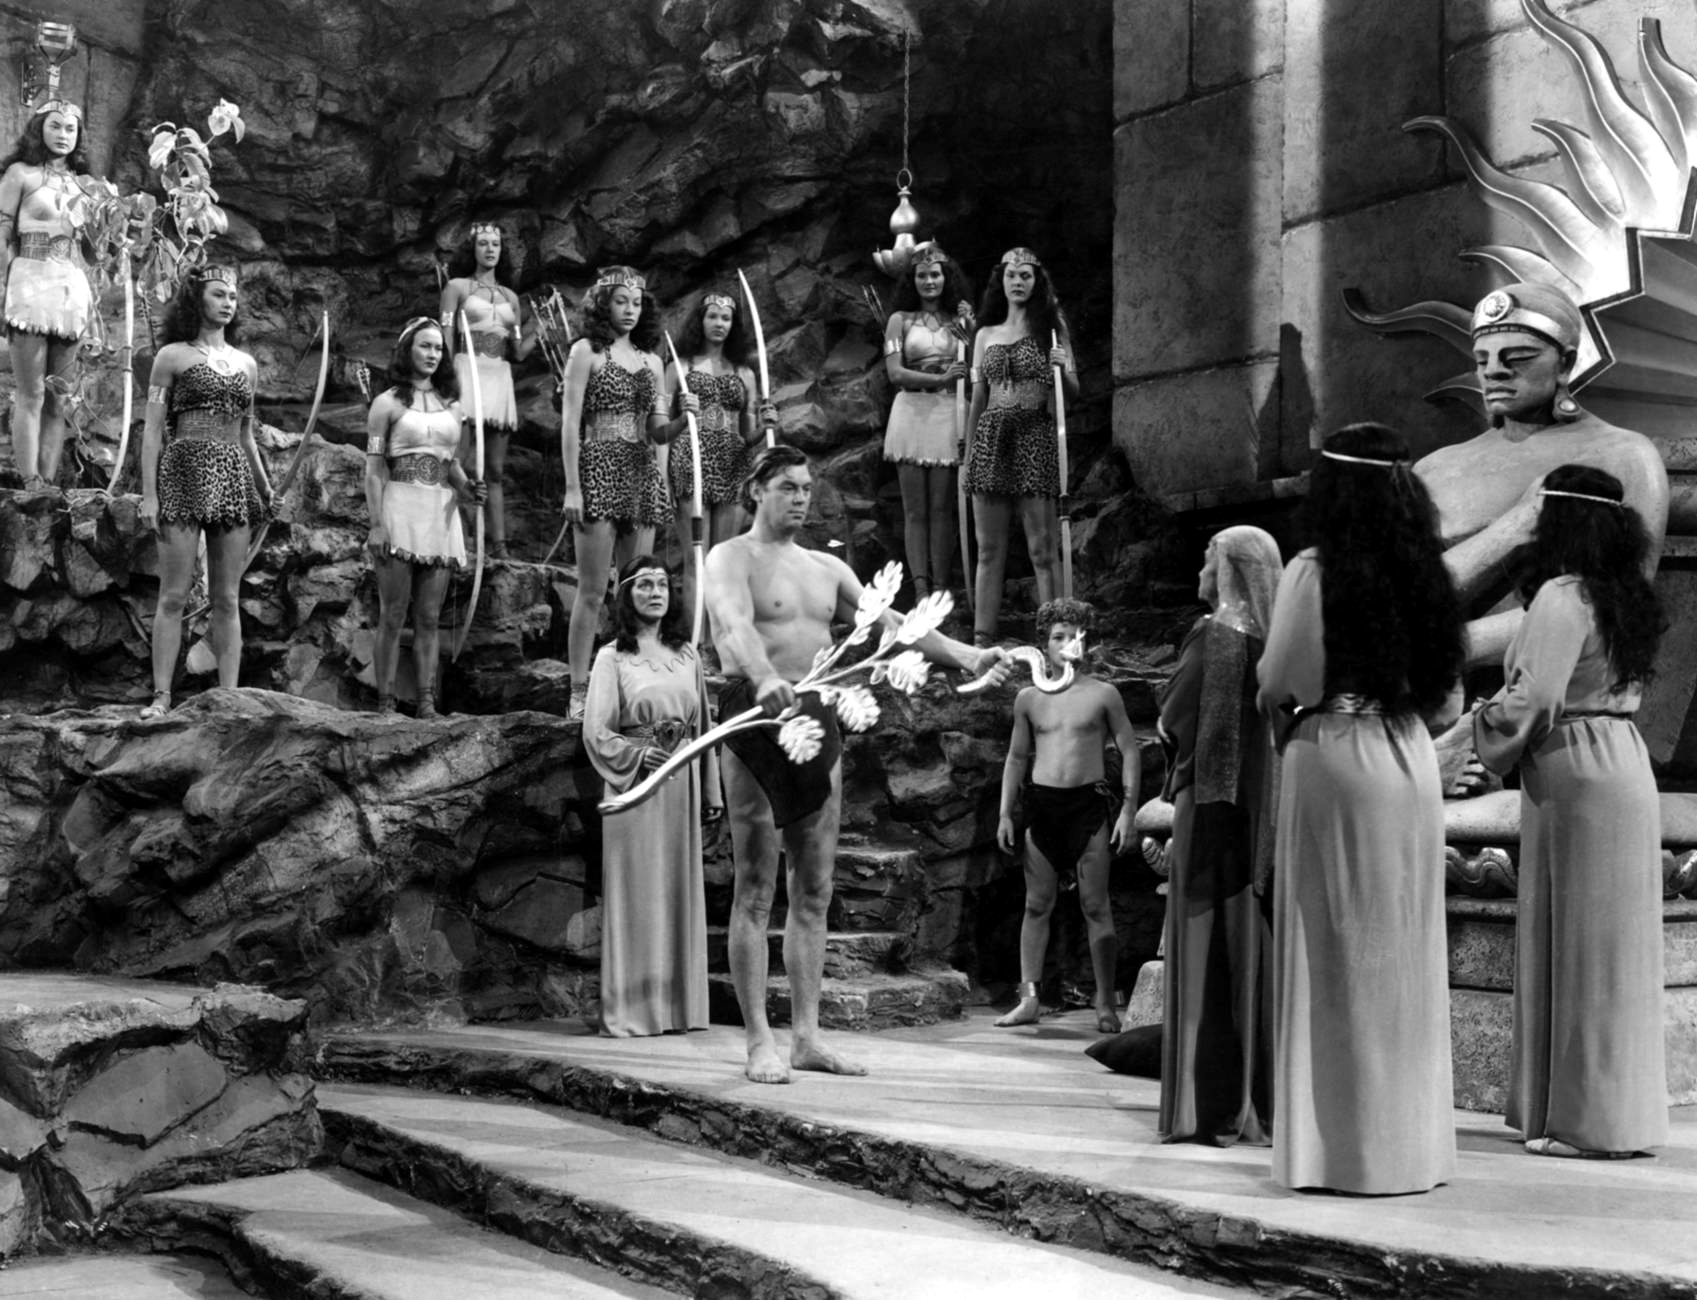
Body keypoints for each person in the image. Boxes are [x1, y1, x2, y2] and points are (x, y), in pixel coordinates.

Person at [704, 443, 1009, 1083]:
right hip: (754, 713)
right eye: (787, 487)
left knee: (814, 886)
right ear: (756, 490)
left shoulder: (825, 568)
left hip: (816, 712)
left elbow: (895, 625)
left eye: (806, 488)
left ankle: (807, 1037)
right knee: (756, 888)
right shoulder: (729, 557)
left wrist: (968, 656)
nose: (800, 498)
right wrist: (762, 676)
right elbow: (732, 626)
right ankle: (759, 1041)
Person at [1257, 421, 1464, 1195]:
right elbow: (1446, 697)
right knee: (1402, 949)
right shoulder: (1426, 572)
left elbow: (1283, 677)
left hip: (1336, 752)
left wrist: (1277, 711)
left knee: (1335, 948)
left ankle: (1342, 1155)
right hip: (1408, 755)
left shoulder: (1314, 568)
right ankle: (1407, 1150)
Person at [1473, 464, 1669, 1159]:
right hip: (1623, 760)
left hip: (1575, 768)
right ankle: (1609, 1115)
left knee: (1581, 945)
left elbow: (1535, 697)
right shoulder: (1623, 596)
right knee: (1614, 949)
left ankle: (1583, 1123)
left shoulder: (1562, 595)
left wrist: (1481, 727)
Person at [1417, 283, 1667, 670]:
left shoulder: (1624, 456)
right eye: (1482, 360)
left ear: (1565, 364)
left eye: (1518, 357)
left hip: (1556, 694)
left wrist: (1452, 648)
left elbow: (1617, 607)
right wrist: (1514, 528)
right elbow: (1392, 600)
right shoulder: (1435, 467)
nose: (1494, 370)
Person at [1157, 525, 1282, 1146]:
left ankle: (1207, 1105)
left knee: (1205, 942)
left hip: (1206, 809)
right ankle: (1255, 1094)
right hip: (1257, 810)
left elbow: (1175, 716)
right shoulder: (1272, 643)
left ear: (1228, 568)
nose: (1200, 569)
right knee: (1249, 943)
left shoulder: (1213, 635)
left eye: (1208, 557)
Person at [583, 554, 721, 1036]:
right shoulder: (611, 657)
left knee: (677, 892)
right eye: (644, 585)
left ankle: (679, 1009)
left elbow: (704, 727)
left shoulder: (688, 655)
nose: (655, 592)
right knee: (637, 894)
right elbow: (596, 730)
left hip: (682, 781)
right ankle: (633, 1011)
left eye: (662, 584)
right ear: (626, 595)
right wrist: (637, 755)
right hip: (635, 785)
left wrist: (711, 790)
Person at [993, 598, 1140, 1034]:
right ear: (1045, 645)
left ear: (1086, 643)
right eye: (1059, 637)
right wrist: (1005, 813)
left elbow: (1129, 749)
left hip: (1087, 807)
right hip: (1042, 807)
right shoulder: (1029, 698)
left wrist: (1128, 809)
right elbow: (1016, 757)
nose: (1067, 644)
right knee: (1036, 904)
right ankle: (1029, 999)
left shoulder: (1103, 694)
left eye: (1075, 636)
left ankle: (1105, 1002)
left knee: (1095, 905)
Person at [137, 266, 271, 718]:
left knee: (227, 598)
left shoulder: (246, 364)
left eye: (232, 296)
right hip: (182, 472)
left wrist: (265, 488)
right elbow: (153, 431)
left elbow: (247, 435)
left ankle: (230, 698)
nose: (228, 303)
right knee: (173, 595)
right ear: (198, 300)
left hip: (231, 476)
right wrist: (150, 495)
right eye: (219, 294)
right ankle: (161, 696)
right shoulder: (172, 356)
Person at [561, 266, 675, 717]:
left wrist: (682, 420)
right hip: (598, 466)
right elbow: (570, 422)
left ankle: (630, 684)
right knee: (592, 590)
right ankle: (578, 689)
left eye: (637, 302)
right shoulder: (586, 351)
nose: (630, 310)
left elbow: (658, 432)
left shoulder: (652, 362)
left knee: (636, 589)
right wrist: (572, 487)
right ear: (604, 304)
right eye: (621, 301)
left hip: (641, 473)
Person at [364, 316, 485, 718]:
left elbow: (451, 462)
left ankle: (426, 702)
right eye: (424, 346)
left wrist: (468, 488)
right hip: (399, 508)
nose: (432, 354)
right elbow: (374, 468)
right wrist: (377, 524)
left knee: (430, 616)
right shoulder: (387, 403)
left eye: (438, 348)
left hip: (439, 512)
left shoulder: (453, 405)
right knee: (393, 613)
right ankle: (385, 703)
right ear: (407, 350)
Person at [963, 246, 1076, 644]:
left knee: (1042, 548)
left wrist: (1062, 368)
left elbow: (1072, 390)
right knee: (988, 549)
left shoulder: (1051, 329)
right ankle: (982, 638)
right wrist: (968, 455)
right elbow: (978, 399)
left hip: (1035, 434)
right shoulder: (984, 335)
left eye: (1025, 275)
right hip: (991, 438)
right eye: (1011, 275)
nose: (1018, 282)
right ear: (1002, 280)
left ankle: (1055, 636)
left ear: (1036, 281)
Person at [663, 291, 776, 633]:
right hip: (690, 459)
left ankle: (720, 641)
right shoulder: (679, 367)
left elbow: (748, 435)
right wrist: (663, 477)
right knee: (696, 558)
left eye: (726, 318)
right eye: (712, 316)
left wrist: (767, 426)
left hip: (733, 463)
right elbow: (661, 427)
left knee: (723, 559)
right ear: (700, 320)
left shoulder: (745, 373)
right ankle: (695, 643)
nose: (719, 323)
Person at [0, 96, 96, 489]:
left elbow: (94, 249)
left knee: (60, 397)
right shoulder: (20, 174)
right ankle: (31, 480)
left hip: (70, 288)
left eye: (70, 128)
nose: (63, 134)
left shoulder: (86, 185)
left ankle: (50, 483)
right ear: (39, 128)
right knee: (33, 392)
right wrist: (1, 285)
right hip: (29, 283)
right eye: (55, 125)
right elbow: (2, 233)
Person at [439, 222, 535, 559]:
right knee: (459, 460)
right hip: (467, 371)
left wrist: (542, 331)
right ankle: (456, 535)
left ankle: (499, 545)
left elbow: (518, 352)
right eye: (483, 243)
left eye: (495, 244)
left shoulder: (511, 298)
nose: (490, 249)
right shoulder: (456, 287)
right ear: (473, 248)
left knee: (494, 469)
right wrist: (447, 378)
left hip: (499, 376)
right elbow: (446, 335)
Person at [881, 242, 971, 602]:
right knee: (915, 509)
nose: (929, 281)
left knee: (942, 507)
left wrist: (970, 326)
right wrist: (940, 378)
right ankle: (920, 589)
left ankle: (940, 588)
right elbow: (894, 372)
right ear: (912, 279)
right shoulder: (899, 321)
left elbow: (973, 362)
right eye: (922, 275)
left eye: (935, 274)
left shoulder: (957, 322)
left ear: (946, 278)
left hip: (948, 411)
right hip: (911, 411)